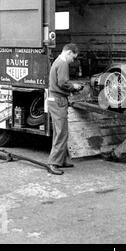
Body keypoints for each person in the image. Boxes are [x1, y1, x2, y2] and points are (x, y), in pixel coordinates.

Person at [47, 43, 84, 175]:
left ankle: (60, 160)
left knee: (59, 132)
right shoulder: (63, 63)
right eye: (73, 57)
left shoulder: (57, 61)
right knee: (61, 133)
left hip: (54, 100)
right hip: (58, 101)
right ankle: (53, 164)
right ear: (68, 52)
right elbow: (63, 83)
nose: (73, 60)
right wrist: (74, 86)